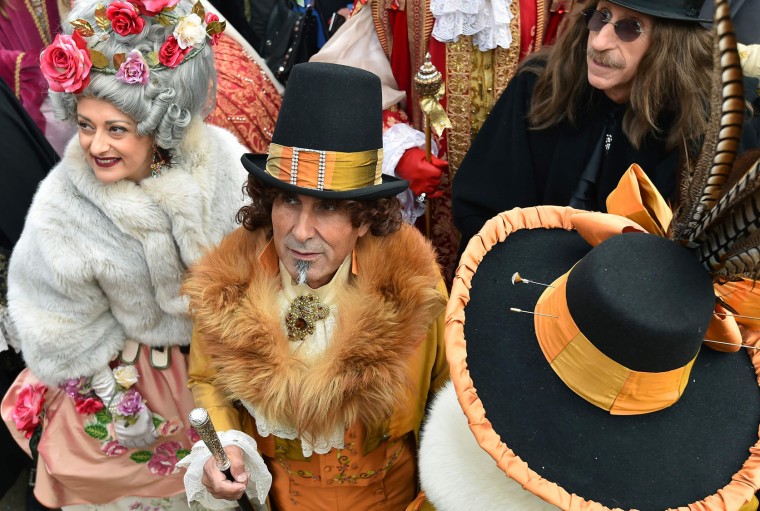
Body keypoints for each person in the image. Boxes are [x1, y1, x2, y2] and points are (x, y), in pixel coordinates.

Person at [0, 0, 249, 508]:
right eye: (85, 125)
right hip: (121, 388)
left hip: (219, 380)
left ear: (162, 127)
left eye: (115, 129)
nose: (93, 146)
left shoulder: (223, 163)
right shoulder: (64, 203)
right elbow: (49, 315)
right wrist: (115, 392)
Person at [181, 62, 449, 511]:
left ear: (364, 218)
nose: (301, 231)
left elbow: (446, 398)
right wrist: (224, 446)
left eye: (327, 207)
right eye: (289, 200)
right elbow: (208, 379)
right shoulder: (228, 285)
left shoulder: (414, 290)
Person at [452, 0, 715, 246]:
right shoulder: (541, 86)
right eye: (601, 17)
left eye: (630, 28)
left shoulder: (700, 127)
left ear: (672, 43)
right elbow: (480, 207)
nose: (599, 42)